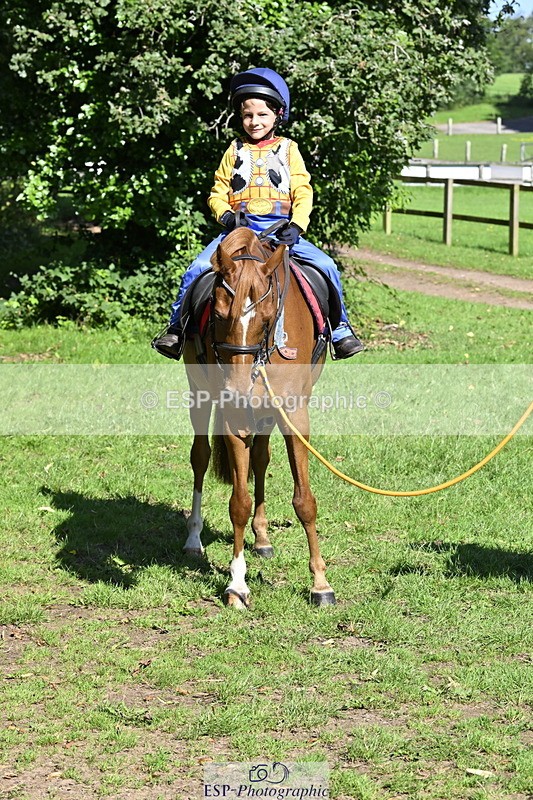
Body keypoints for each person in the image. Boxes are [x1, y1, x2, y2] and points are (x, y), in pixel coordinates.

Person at [152, 68, 364, 360]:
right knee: (197, 268)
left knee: (327, 266)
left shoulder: (289, 149)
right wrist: (225, 216)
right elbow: (218, 192)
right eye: (248, 115)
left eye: (262, 115)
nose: (254, 122)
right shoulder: (234, 150)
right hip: (239, 233)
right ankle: (176, 331)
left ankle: (340, 331)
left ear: (277, 115)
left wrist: (297, 226)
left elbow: (303, 192)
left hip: (280, 231)